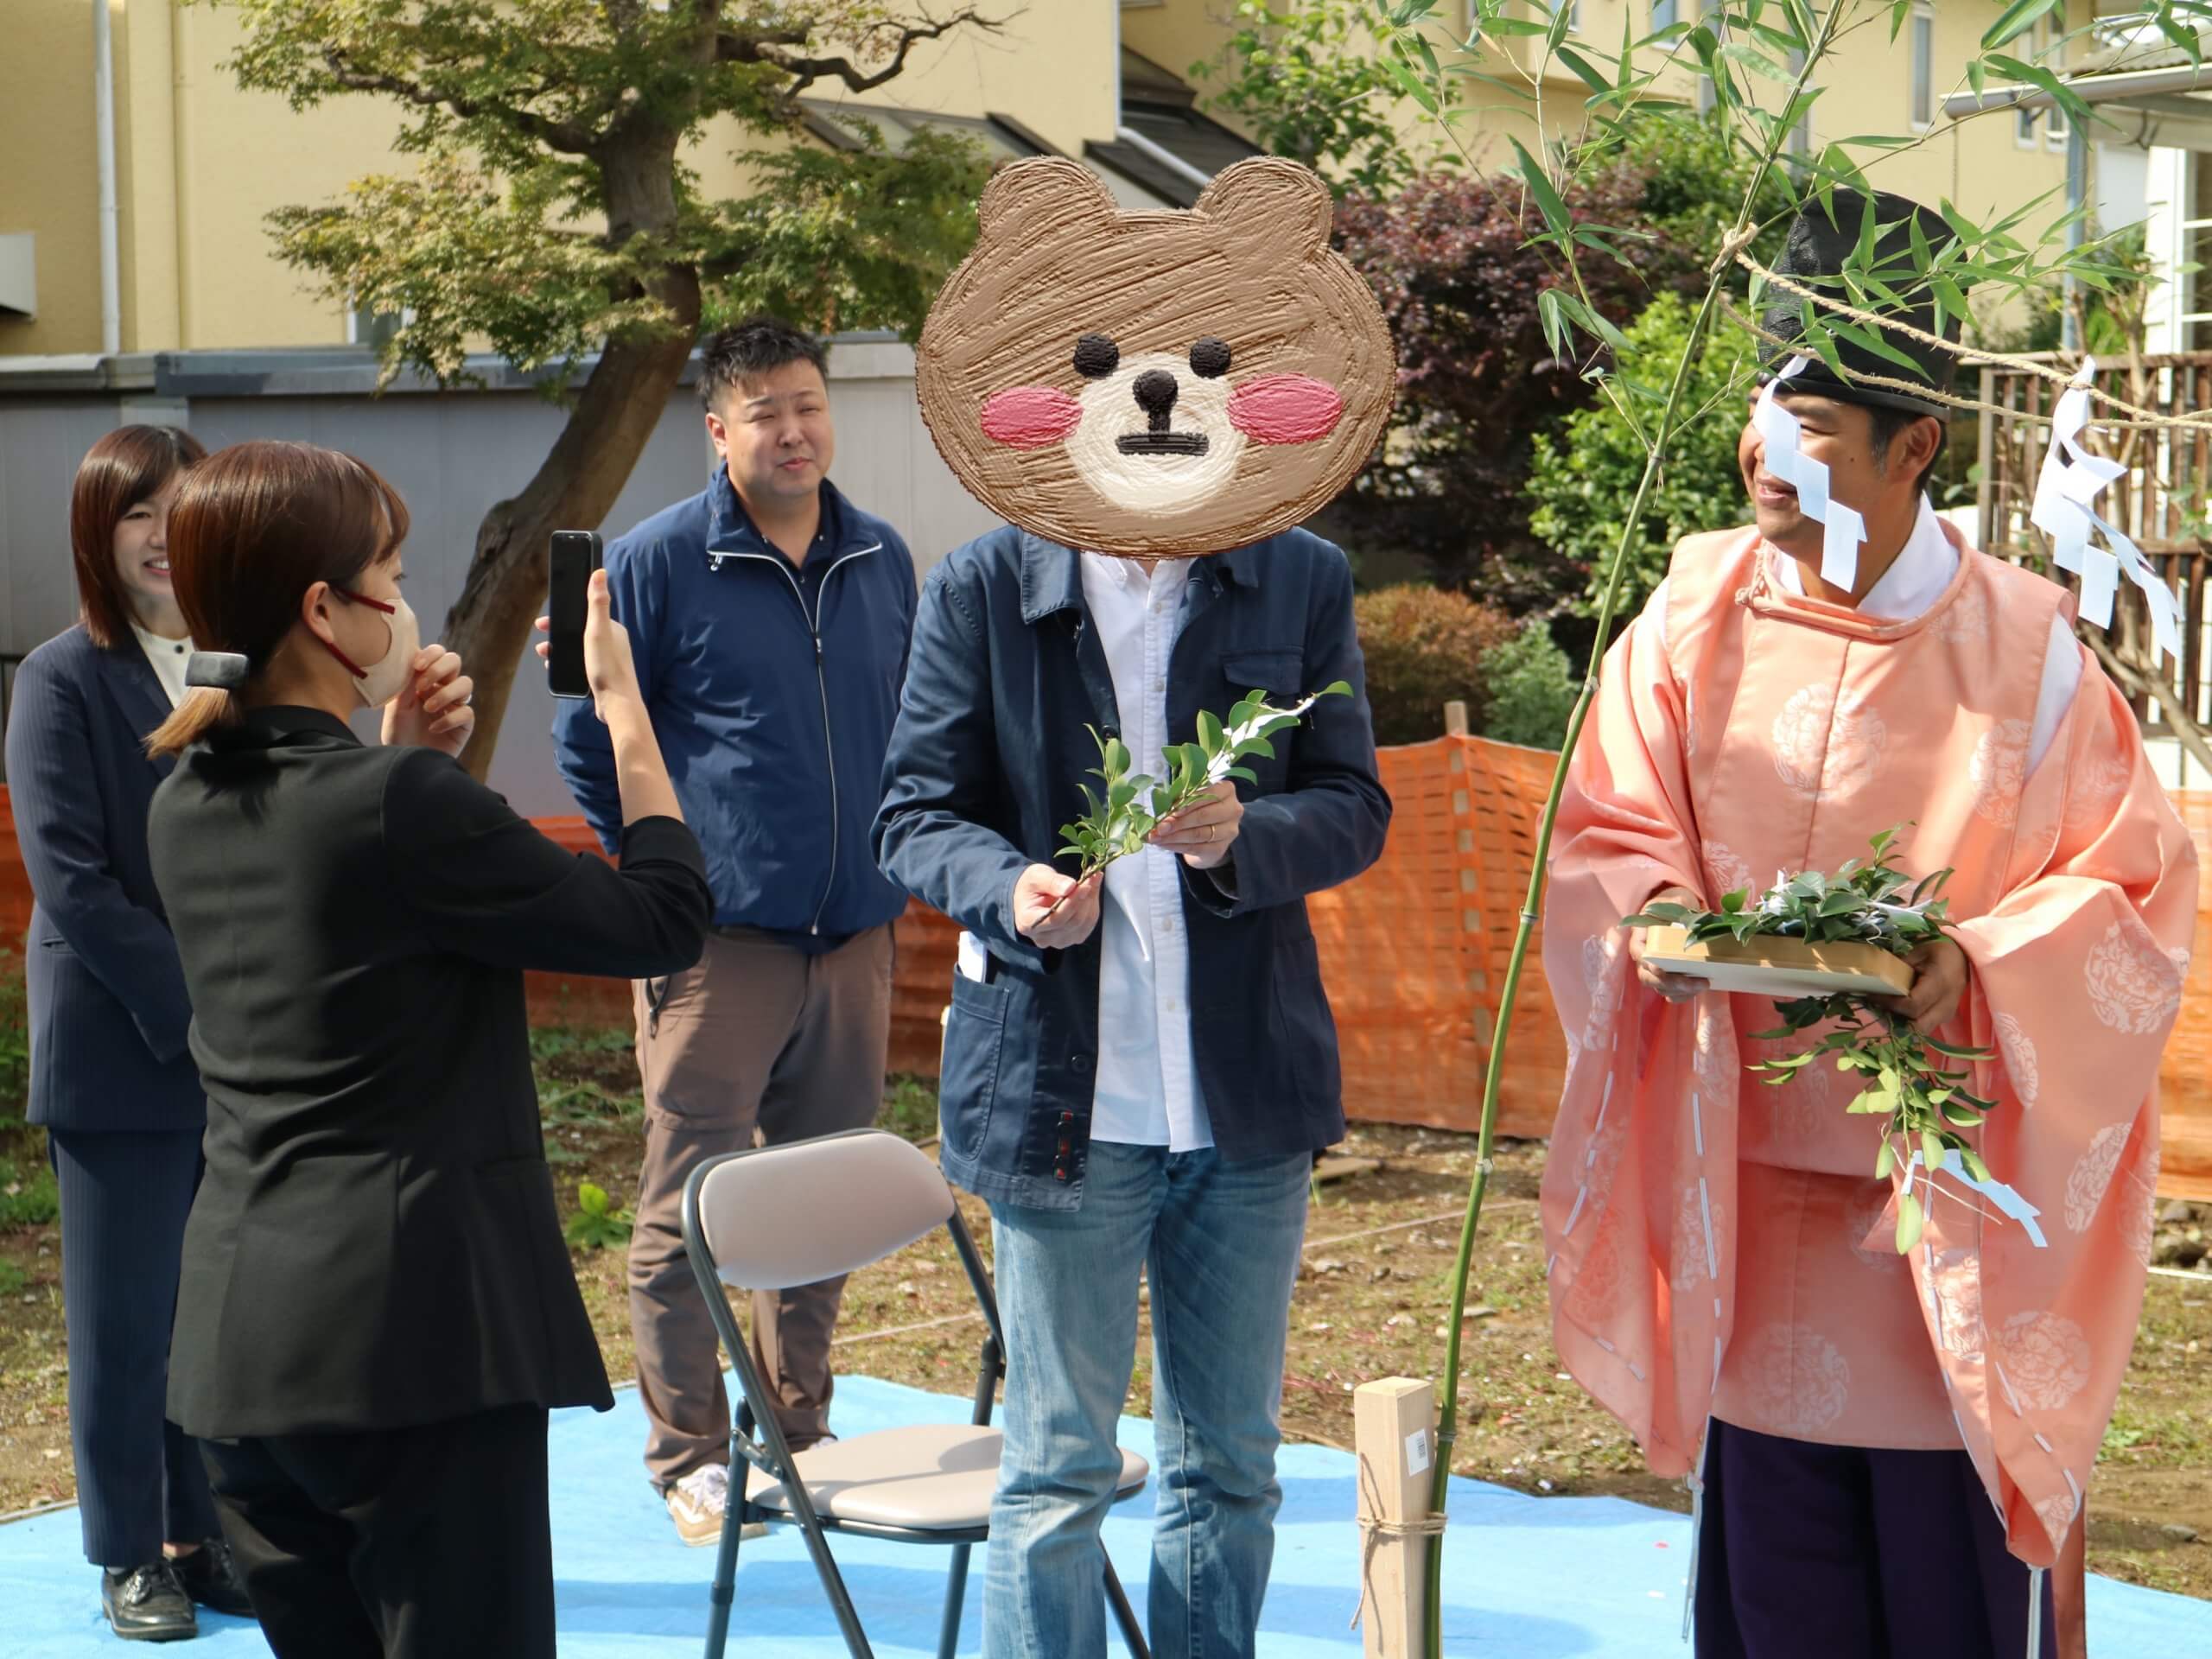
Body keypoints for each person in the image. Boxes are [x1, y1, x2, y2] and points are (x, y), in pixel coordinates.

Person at [1540, 191, 2196, 1659]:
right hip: (1750, 1199)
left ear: (1915, 448)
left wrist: (1971, 961)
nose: (1768, 451)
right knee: (1778, 1598)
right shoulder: (1688, 620)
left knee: (1954, 1599)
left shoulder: (2028, 654)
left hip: (1949, 1219)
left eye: (1816, 421)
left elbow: (2132, 902)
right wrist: (1654, 923)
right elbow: (1606, 834)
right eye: (1763, 413)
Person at [143, 440, 710, 1657]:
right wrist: (625, 709)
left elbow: (345, 898)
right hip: (412, 1353)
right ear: (321, 609)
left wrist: (404, 756)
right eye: (389, 577)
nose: (404, 605)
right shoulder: (399, 807)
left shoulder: (184, 798)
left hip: (240, 1355)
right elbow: (660, 919)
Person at [874, 523, 1390, 1659]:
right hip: (1067, 1099)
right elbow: (912, 813)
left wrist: (1243, 839)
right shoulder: (984, 583)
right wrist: (1012, 889)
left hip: (1243, 1097)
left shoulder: (1297, 573)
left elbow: (1355, 801)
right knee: (1058, 1473)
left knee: (1231, 1469)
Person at [552, 315, 918, 1544]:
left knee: (818, 1201)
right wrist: (661, 885)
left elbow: (912, 728)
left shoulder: (883, 556)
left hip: (857, 936)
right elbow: (590, 736)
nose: (794, 429)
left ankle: (798, 1431)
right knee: (688, 1207)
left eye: (808, 404)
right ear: (719, 430)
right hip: (717, 947)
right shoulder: (654, 562)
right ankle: (689, 1456)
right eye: (765, 411)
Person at [4, 426, 253, 1639]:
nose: (162, 532)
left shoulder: (234, 667)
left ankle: (200, 1537)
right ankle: (127, 1555)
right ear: (99, 536)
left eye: (182, 505)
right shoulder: (60, 675)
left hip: (244, 1057)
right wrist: (204, 1008)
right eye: (135, 511)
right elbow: (72, 880)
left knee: (209, 1317)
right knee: (123, 1326)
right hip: (126, 1053)